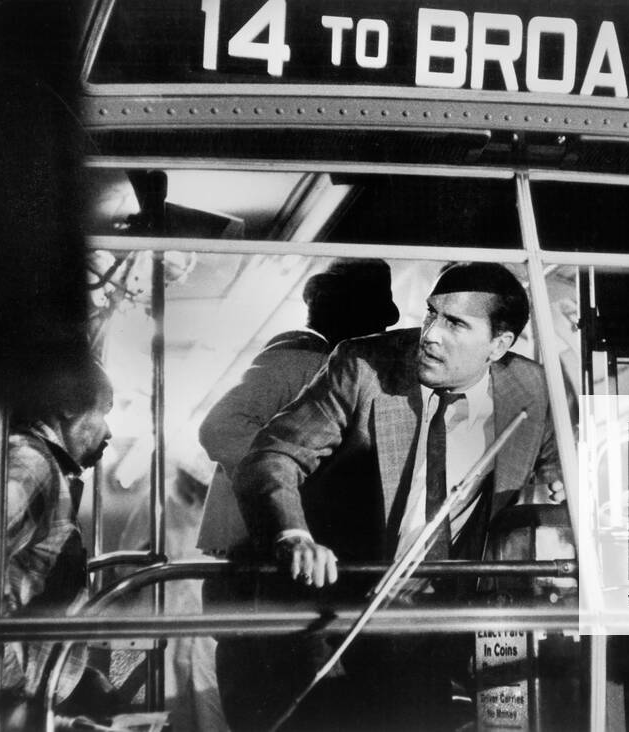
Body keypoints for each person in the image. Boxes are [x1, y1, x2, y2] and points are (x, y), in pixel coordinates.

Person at [219, 262, 561, 730]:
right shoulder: (363, 367)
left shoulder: (532, 387)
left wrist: (559, 478)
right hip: (339, 606)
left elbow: (559, 456)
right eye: (431, 314)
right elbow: (273, 456)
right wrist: (293, 534)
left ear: (498, 346)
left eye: (456, 323)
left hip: (445, 617)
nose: (431, 334)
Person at [196, 257, 399, 554]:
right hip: (255, 545)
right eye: (372, 315)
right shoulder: (297, 360)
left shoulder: (324, 366)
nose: (378, 329)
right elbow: (220, 428)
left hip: (270, 542)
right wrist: (290, 476)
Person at [0, 353, 114, 705]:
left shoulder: (41, 466)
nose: (108, 432)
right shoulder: (31, 464)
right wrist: (7, 685)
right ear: (70, 407)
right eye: (104, 413)